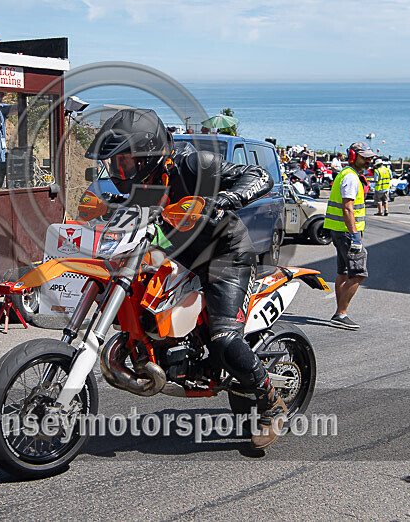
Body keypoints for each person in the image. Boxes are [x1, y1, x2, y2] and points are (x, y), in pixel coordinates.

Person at [85, 108, 286, 449]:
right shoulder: (144, 181)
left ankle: (270, 400)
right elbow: (136, 208)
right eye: (113, 165)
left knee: (224, 339)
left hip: (224, 254)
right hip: (175, 253)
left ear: (149, 156)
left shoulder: (194, 165)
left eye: (124, 163)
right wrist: (105, 204)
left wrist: (222, 200)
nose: (119, 171)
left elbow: (258, 176)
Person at [323, 142, 375, 330]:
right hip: (347, 232)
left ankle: (340, 311)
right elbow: (347, 208)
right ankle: (340, 313)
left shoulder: (346, 174)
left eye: (370, 157)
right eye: (364, 157)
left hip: (339, 230)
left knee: (343, 272)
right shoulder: (351, 177)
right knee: (359, 273)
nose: (368, 161)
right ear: (353, 157)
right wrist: (354, 236)